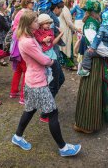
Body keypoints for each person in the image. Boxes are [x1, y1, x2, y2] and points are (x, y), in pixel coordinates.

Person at [11, 10, 81, 157]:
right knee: (52, 113)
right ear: (29, 24)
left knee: (30, 109)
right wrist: (52, 61)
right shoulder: (28, 41)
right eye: (36, 21)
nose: (39, 22)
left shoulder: (26, 36)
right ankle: (63, 148)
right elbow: (43, 59)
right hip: (37, 82)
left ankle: (17, 137)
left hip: (32, 79)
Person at [74, 2, 108, 134]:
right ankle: (86, 123)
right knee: (92, 90)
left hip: (100, 61)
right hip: (95, 62)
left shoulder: (95, 22)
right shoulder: (91, 24)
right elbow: (95, 44)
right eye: (99, 11)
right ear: (95, 12)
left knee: (105, 86)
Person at [34, 13, 64, 123]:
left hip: (53, 57)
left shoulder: (49, 31)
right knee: (53, 84)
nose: (48, 25)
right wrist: (44, 39)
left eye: (49, 23)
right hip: (48, 60)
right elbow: (41, 41)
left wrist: (60, 34)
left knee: (61, 80)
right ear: (41, 23)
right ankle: (45, 112)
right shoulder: (36, 33)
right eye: (46, 23)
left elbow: (51, 43)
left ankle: (48, 102)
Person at [78, 10, 108, 77]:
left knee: (87, 53)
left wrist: (92, 47)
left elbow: (97, 39)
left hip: (102, 49)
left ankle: (85, 69)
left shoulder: (102, 29)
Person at [59, 0, 81, 70]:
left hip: (63, 29)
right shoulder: (66, 9)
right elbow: (69, 23)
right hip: (65, 30)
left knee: (64, 47)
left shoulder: (64, 8)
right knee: (67, 47)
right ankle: (70, 65)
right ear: (71, 3)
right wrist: (77, 29)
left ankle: (65, 63)